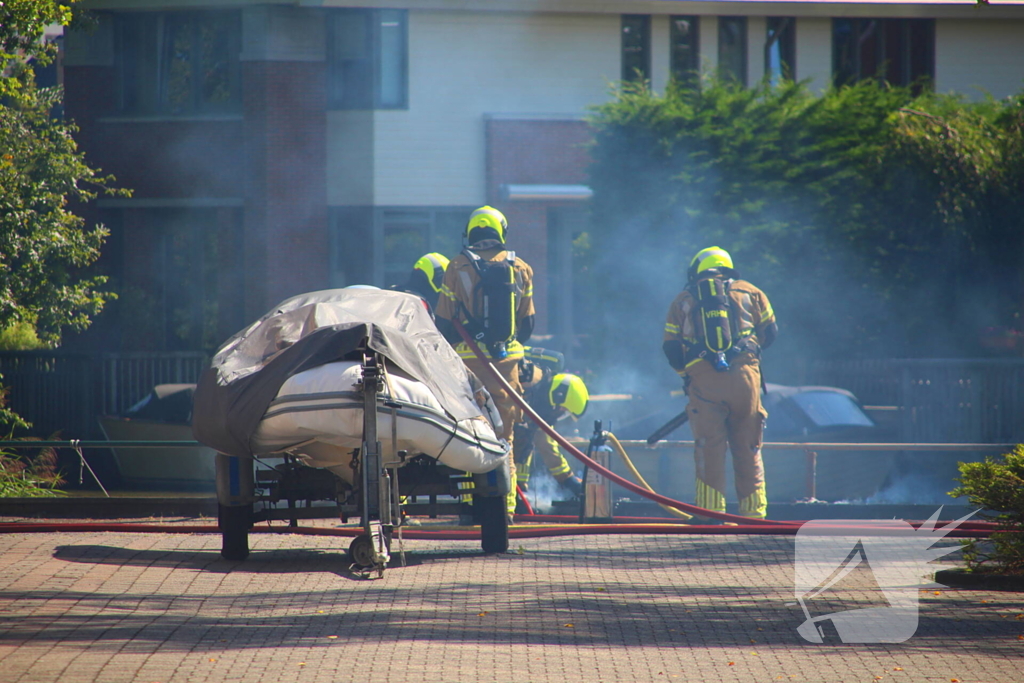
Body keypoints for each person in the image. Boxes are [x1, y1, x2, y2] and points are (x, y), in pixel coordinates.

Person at [662, 246, 778, 520]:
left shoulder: (684, 299)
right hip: (746, 379)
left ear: (696, 271)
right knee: (748, 446)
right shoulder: (752, 291)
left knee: (709, 446)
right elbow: (771, 332)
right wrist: (748, 356)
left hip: (704, 381)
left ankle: (710, 514)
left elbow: (670, 348)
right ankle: (754, 516)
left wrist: (686, 375)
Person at [434, 206, 535, 520]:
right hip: (507, 364)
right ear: (500, 231)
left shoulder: (457, 266)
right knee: (505, 436)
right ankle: (505, 510)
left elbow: (444, 321)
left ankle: (470, 507)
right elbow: (528, 326)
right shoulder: (521, 267)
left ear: (471, 232)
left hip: (467, 364)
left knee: (466, 434)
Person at [513, 347, 587, 499]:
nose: (559, 415)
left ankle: (519, 489)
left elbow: (546, 444)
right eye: (562, 410)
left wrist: (568, 480)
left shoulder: (542, 402)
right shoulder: (526, 385)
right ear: (558, 397)